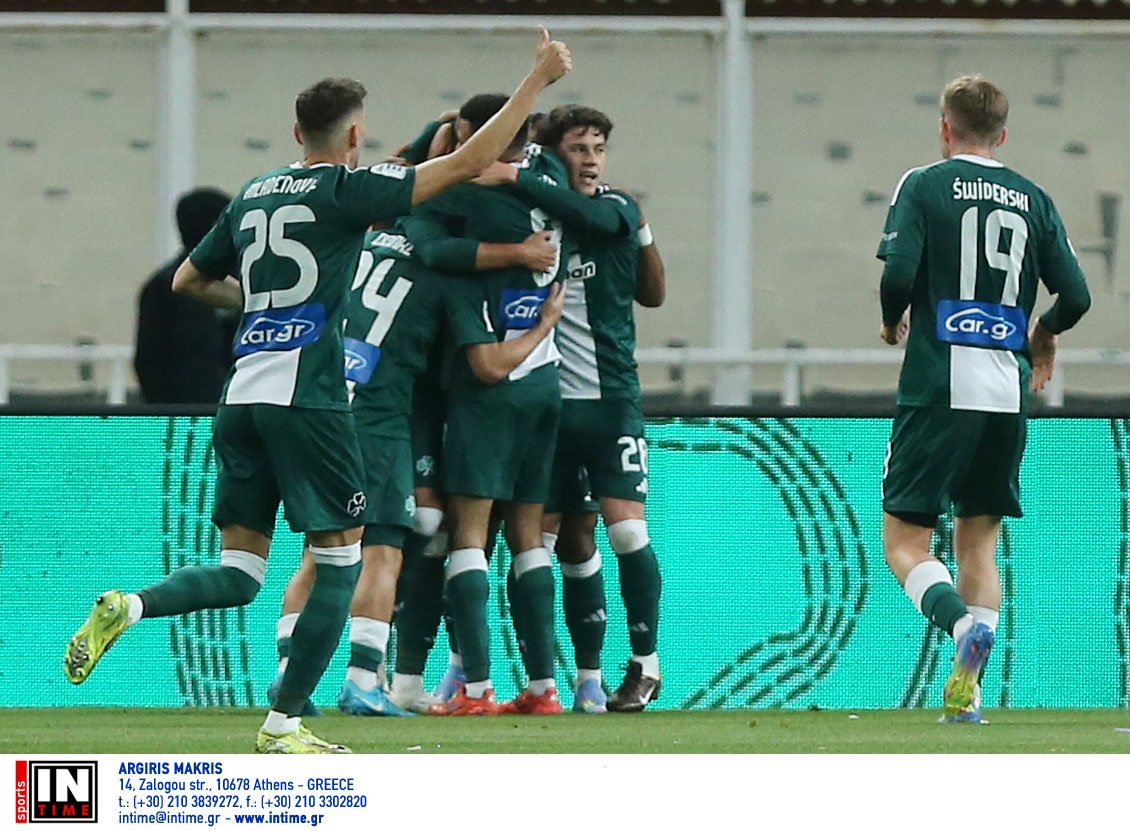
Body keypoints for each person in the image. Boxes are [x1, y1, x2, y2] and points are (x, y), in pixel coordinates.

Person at [62, 29, 572, 754]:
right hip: (310, 399)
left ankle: (131, 604)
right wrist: (537, 80)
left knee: (242, 571)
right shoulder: (345, 190)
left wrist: (259, 306)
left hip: (242, 395)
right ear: (355, 136)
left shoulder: (253, 192)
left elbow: (188, 280)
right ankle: (283, 725)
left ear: (296, 131)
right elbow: (468, 161)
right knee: (340, 560)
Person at [271, 222, 564, 719]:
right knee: (383, 552)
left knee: (321, 552)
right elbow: (488, 364)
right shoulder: (445, 269)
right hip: (378, 418)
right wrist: (543, 325)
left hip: (322, 405)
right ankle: (363, 681)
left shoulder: (362, 243)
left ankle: (286, 671)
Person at [877, 74, 1091, 724]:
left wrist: (891, 319)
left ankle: (959, 627)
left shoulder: (923, 184)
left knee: (904, 542)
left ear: (946, 127)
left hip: (939, 385)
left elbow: (897, 272)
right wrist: (1043, 334)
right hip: (1005, 393)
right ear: (1003, 134)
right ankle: (965, 692)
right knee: (978, 545)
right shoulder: (1034, 198)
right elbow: (1077, 296)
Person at [477, 104, 666, 713]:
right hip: (547, 408)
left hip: (610, 402)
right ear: (555, 154)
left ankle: (645, 664)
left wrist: (514, 175)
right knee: (546, 541)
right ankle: (568, 682)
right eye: (579, 149)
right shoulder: (534, 223)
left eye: (599, 149)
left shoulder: (613, 207)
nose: (591, 161)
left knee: (624, 529)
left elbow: (652, 289)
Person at [406, 93, 574, 716]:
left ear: (471, 133)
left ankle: (475, 690)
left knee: (468, 536)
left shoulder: (459, 197)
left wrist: (439, 150)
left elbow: (430, 247)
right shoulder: (549, 176)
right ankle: (544, 687)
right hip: (544, 378)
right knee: (530, 537)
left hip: (489, 384)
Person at [134, 187, 235, 404]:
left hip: (237, 408)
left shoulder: (244, 280)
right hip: (188, 411)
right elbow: (149, 361)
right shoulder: (163, 288)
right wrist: (168, 413)